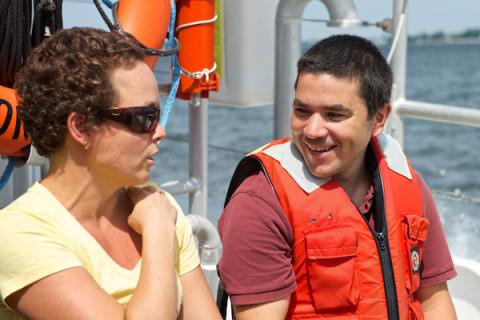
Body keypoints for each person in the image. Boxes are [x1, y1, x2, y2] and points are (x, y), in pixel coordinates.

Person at [218, 34, 457, 320]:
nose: (312, 130)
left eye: (334, 115)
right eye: (302, 111)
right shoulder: (259, 201)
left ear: (379, 118)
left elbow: (434, 302)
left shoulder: (407, 184)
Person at [0, 27, 221, 320]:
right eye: (144, 118)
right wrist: (157, 234)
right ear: (80, 128)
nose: (161, 132)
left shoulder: (158, 205)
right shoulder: (18, 233)